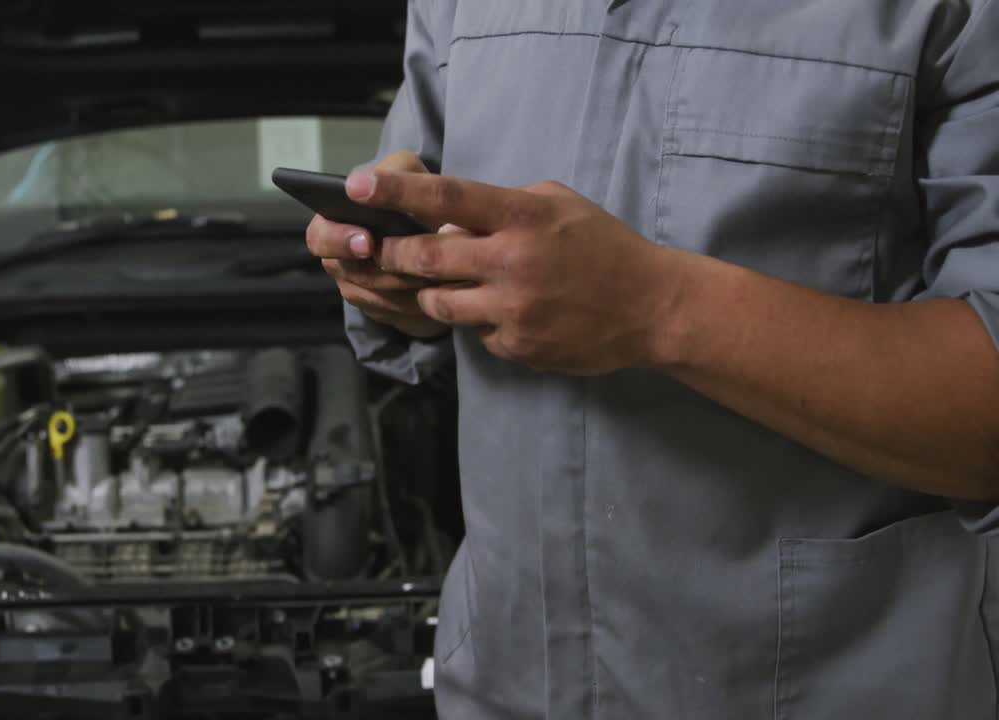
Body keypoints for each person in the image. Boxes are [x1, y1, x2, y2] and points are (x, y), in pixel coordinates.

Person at [304, 1, 999, 718]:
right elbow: (431, 225)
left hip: (835, 690)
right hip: (505, 687)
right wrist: (395, 269)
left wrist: (656, 308)